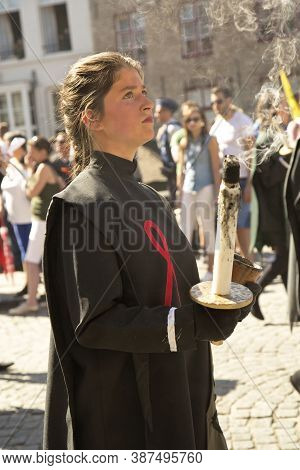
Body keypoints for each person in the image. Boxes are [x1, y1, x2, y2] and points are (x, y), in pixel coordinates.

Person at [43, 52, 259, 450]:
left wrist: (223, 300)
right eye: (129, 94)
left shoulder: (150, 198)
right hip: (126, 413)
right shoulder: (78, 206)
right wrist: (190, 324)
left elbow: (173, 291)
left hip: (177, 387)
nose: (148, 102)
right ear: (92, 117)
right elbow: (94, 323)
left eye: (143, 90)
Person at [9, 137, 63, 315]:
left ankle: (32, 300)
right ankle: (43, 298)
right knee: (38, 260)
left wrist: (29, 170)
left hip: (42, 220)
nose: (29, 154)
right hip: (42, 219)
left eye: (32, 150)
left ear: (43, 152)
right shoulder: (45, 167)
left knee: (31, 261)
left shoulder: (43, 168)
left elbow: (31, 192)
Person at [250, 95, 290, 320]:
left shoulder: (279, 134)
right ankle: (257, 292)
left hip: (280, 209)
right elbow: (265, 177)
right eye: (281, 105)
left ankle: (296, 307)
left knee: (286, 258)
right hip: (273, 210)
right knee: (284, 256)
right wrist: (288, 160)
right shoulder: (267, 137)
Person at [210, 87, 254, 259]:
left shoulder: (242, 121)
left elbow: (251, 154)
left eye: (219, 101)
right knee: (230, 228)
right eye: (212, 102)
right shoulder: (216, 125)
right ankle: (240, 272)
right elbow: (216, 159)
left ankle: (250, 269)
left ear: (229, 100)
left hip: (243, 180)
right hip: (225, 182)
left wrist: (250, 184)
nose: (215, 105)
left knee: (242, 227)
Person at [177, 106, 221, 280]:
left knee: (208, 227)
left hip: (206, 186)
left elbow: (216, 168)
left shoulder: (210, 140)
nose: (192, 123)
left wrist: (218, 192)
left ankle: (210, 270)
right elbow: (180, 169)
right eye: (188, 120)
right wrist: (179, 191)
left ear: (202, 120)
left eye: (195, 119)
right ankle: (184, 272)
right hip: (188, 188)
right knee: (185, 229)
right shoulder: (184, 142)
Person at [154, 98, 181, 207]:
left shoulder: (174, 128)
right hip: (169, 171)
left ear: (167, 112)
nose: (156, 115)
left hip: (176, 171)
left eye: (159, 112)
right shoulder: (163, 129)